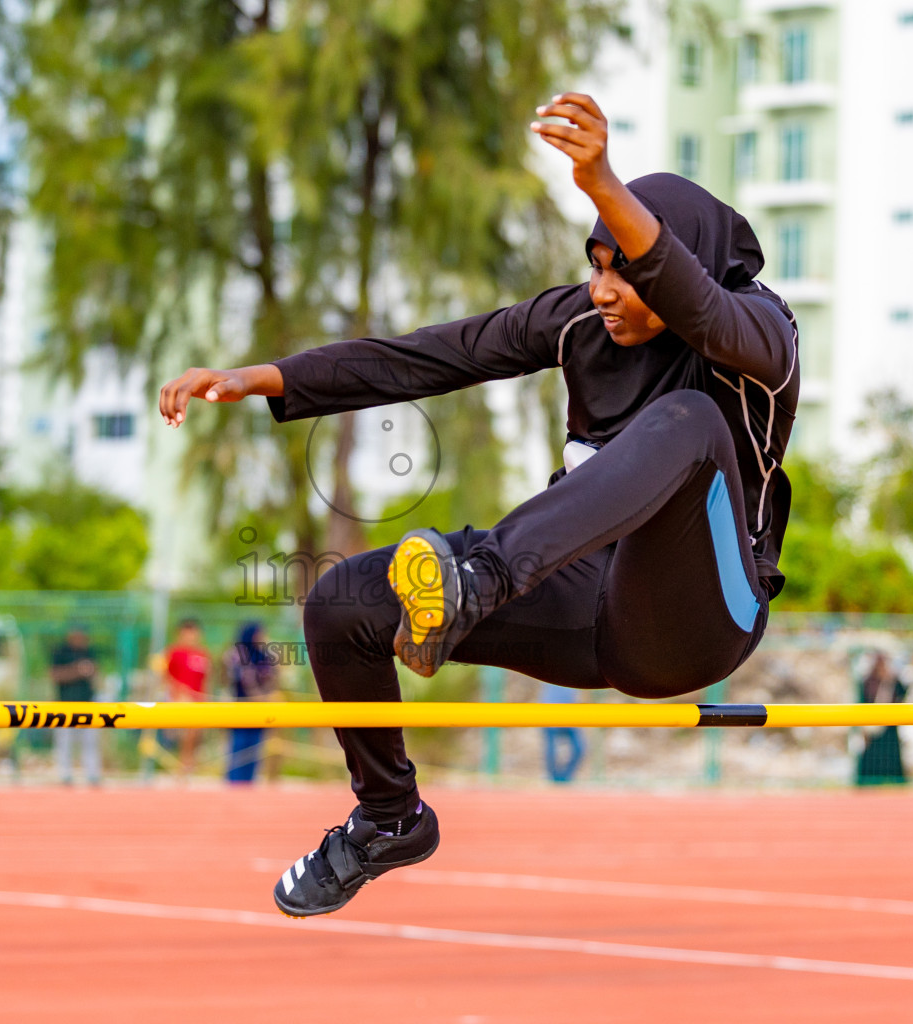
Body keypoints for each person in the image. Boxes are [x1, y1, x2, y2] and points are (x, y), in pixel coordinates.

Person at [159, 92, 798, 917]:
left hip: (701, 616)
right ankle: (389, 819)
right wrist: (269, 377)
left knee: (688, 421)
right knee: (342, 603)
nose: (603, 290)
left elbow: (699, 305)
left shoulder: (761, 337)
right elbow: (429, 357)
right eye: (594, 264)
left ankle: (481, 576)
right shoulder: (578, 322)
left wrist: (601, 179)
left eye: (626, 270)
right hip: (582, 607)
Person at [225, 622, 280, 784]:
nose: (262, 637)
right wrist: (259, 696)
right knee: (239, 746)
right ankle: (234, 782)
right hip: (242, 707)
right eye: (259, 633)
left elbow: (273, 678)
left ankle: (248, 783)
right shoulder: (237, 653)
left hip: (260, 709)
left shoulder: (264, 655)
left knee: (255, 749)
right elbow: (245, 679)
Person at [49, 628, 103, 786]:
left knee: (90, 741)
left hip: (87, 702)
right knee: (64, 741)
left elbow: (96, 672)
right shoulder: (60, 652)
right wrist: (78, 671)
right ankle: (64, 774)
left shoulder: (89, 652)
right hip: (64, 703)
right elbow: (55, 675)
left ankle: (92, 774)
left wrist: (90, 671)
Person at [162, 619, 211, 776]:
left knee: (195, 737)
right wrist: (177, 691)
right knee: (185, 734)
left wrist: (206, 697)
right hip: (180, 700)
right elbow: (166, 677)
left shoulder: (203, 654)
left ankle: (187, 765)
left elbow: (206, 678)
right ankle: (181, 766)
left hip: (198, 699)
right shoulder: (174, 652)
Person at [854, 650, 908, 786]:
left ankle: (895, 780)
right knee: (872, 756)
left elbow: (902, 694)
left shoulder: (891, 681)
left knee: (890, 752)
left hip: (889, 726)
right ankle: (868, 780)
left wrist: (890, 680)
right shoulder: (868, 681)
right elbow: (862, 701)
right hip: (872, 727)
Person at [539, 681, 586, 784]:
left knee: (580, 748)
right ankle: (554, 778)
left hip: (570, 713)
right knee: (551, 750)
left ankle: (564, 778)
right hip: (550, 711)